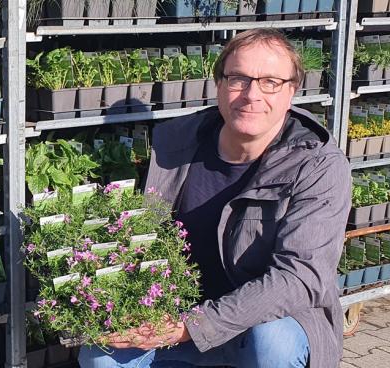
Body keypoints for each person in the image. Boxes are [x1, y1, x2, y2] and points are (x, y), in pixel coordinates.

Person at [79, 28, 351, 368]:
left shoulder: (317, 165)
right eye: (238, 78)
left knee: (271, 345)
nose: (252, 94)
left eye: (270, 82)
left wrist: (193, 326)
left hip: (261, 322)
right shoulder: (175, 142)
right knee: (100, 358)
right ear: (219, 84)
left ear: (291, 91)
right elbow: (140, 236)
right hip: (178, 314)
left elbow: (299, 278)